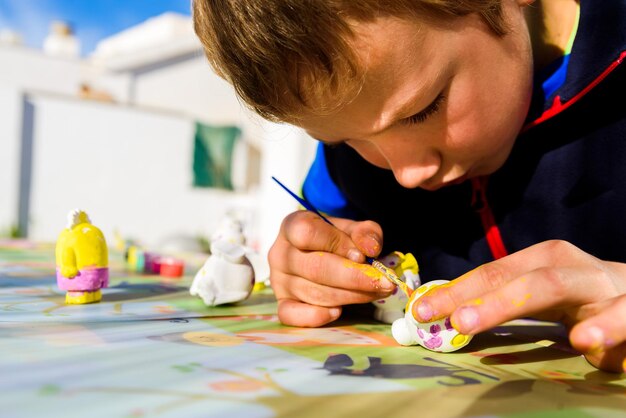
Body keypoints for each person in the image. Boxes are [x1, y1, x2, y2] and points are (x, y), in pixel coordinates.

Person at [192, 0, 626, 372]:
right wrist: (312, 274)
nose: (405, 174)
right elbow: (318, 244)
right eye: (345, 139)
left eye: (422, 110)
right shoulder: (346, 169)